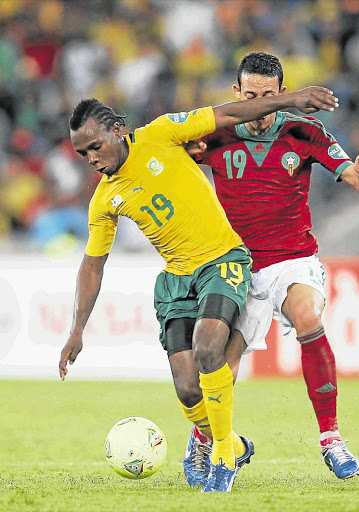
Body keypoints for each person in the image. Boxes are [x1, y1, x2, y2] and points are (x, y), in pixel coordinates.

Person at [58, 86, 340, 492]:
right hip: (176, 278)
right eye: (83, 154)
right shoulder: (105, 199)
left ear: (117, 130)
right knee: (188, 388)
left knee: (210, 348)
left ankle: (222, 457)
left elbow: (228, 113)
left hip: (222, 260)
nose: (92, 159)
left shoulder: (162, 132)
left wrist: (288, 99)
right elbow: (92, 265)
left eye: (95, 147)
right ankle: (234, 443)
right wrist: (76, 330)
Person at [183, 51, 359, 484]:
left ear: (283, 92)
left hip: (293, 258)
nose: (260, 105)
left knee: (308, 316)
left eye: (270, 96)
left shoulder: (304, 130)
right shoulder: (213, 132)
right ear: (237, 94)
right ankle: (204, 439)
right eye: (251, 95)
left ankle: (331, 439)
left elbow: (354, 177)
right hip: (236, 267)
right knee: (220, 368)